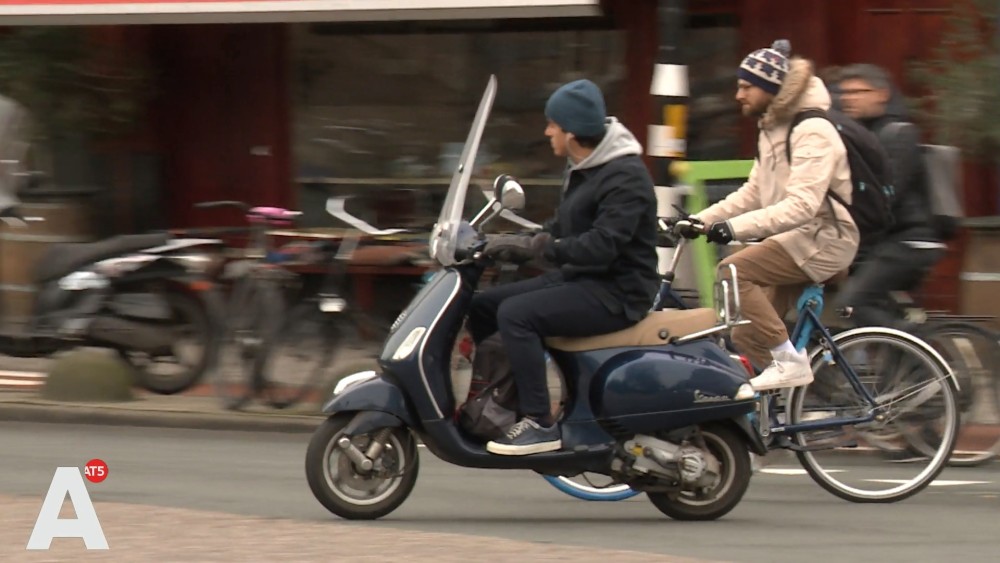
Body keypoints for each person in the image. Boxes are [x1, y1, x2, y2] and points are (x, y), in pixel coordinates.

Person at [467, 78, 659, 456]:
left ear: (571, 132)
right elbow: (564, 229)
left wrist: (545, 248)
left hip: (618, 292)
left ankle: (539, 423)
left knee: (517, 315)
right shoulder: (585, 166)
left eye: (552, 124)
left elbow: (602, 246)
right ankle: (501, 405)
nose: (547, 131)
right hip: (584, 279)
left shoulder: (625, 177)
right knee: (483, 306)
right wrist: (515, 243)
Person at [678, 42, 859, 391]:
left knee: (732, 271)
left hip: (825, 238)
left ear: (771, 88)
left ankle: (791, 364)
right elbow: (753, 193)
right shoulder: (773, 128)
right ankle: (804, 403)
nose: (738, 95)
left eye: (747, 86)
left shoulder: (813, 132)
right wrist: (700, 221)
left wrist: (731, 230)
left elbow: (803, 206)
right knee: (747, 333)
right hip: (797, 239)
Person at [833, 63, 946, 330]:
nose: (850, 98)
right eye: (845, 93)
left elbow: (887, 193)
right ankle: (903, 361)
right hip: (884, 241)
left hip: (909, 241)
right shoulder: (863, 135)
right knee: (865, 305)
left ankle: (920, 350)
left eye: (860, 91)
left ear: (882, 94)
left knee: (851, 305)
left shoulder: (899, 134)